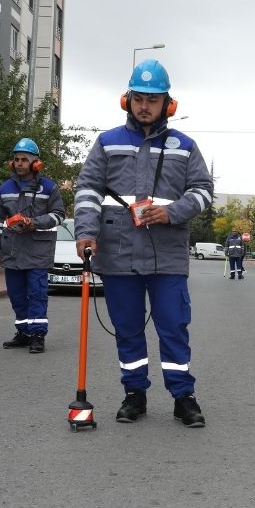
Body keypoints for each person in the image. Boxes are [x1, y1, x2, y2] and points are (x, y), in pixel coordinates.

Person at [73, 58, 214, 428]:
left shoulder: (185, 146)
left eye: (153, 99)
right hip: (118, 255)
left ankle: (183, 396)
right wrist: (85, 232)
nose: (145, 106)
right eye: (139, 98)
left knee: (173, 326)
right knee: (128, 329)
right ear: (127, 100)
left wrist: (172, 212)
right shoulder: (106, 143)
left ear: (168, 103)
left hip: (166, 257)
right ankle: (134, 394)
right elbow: (87, 191)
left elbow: (203, 192)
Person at [0, 138, 66, 354]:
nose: (20, 163)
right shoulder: (5, 188)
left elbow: (59, 215)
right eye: (16, 159)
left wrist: (36, 222)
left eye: (24, 159)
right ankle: (23, 332)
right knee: (16, 295)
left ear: (36, 163)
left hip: (38, 251)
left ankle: (38, 335)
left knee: (37, 294)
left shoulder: (49, 187)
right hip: (12, 249)